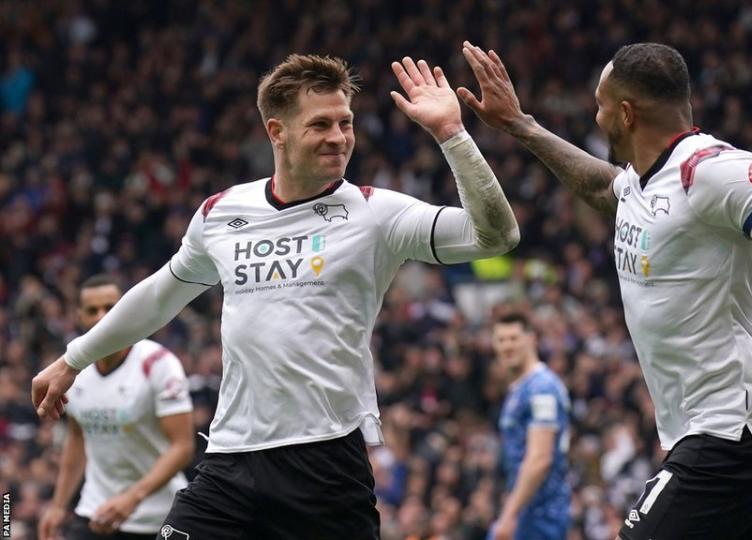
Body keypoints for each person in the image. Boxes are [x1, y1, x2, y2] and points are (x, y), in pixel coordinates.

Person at [32, 53, 520, 539]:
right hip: (230, 458)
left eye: (345, 122)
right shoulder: (221, 212)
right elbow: (161, 295)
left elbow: (495, 237)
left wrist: (451, 136)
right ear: (276, 132)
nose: (338, 137)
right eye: (320, 124)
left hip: (325, 463)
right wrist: (73, 359)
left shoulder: (376, 213)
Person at [457, 41, 752, 539]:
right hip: (735, 435)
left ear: (625, 113)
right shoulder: (643, 181)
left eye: (599, 107)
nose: (596, 119)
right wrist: (519, 125)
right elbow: (603, 189)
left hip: (733, 434)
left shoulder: (711, 170)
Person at [38, 275, 194, 540]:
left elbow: (183, 446)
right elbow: (77, 438)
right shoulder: (72, 372)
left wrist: (132, 498)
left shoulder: (159, 363)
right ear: (79, 316)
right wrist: (58, 505)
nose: (102, 317)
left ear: (125, 310)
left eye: (111, 308)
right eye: (92, 310)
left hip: (156, 516)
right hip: (95, 511)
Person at [489, 312, 571, 540]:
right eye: (501, 339)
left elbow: (540, 459)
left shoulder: (541, 388)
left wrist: (508, 514)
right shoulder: (519, 388)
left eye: (513, 338)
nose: (507, 346)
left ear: (531, 339)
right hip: (526, 510)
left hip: (541, 514)